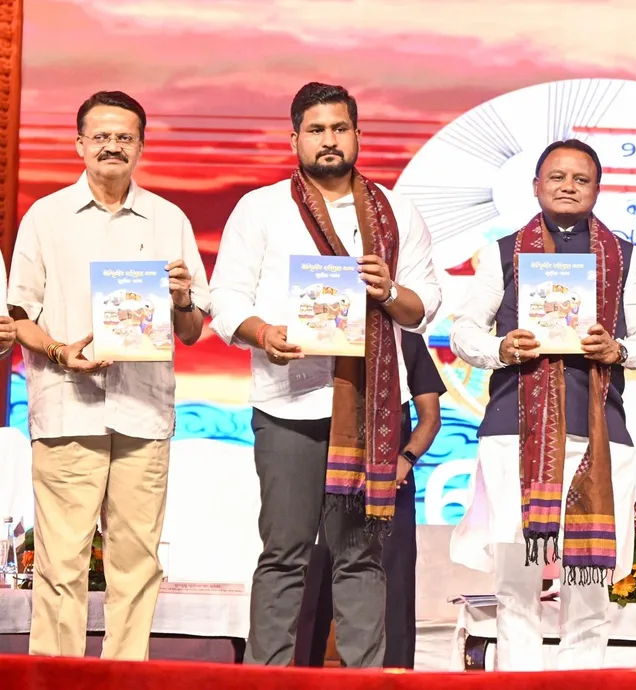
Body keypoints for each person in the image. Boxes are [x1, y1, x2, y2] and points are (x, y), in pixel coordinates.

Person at [208, 82, 441, 668]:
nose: (329, 140)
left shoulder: (396, 212)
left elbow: (425, 305)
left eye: (340, 128)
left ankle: (366, 681)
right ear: (295, 139)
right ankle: (266, 681)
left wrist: (388, 289)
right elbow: (226, 299)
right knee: (283, 554)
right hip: (286, 408)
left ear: (358, 135)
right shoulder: (260, 208)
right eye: (316, 130)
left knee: (360, 559)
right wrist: (265, 335)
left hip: (366, 415)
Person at [449, 139, 636, 671]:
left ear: (597, 188)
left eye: (581, 179)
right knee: (515, 584)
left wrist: (619, 350)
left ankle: (581, 681)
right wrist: (500, 348)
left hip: (599, 433)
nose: (568, 186)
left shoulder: (624, 257)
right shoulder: (503, 252)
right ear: (536, 186)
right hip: (513, 431)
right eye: (557, 177)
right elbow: (463, 331)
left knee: (588, 586)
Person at [6, 91, 211, 659]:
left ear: (141, 146)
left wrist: (183, 296)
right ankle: (55, 677)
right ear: (79, 145)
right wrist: (58, 350)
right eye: (101, 136)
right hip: (67, 405)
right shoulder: (45, 217)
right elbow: (18, 315)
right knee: (60, 563)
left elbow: (192, 331)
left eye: (124, 137)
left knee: (137, 564)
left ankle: (126, 677)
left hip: (143, 414)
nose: (112, 146)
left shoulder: (170, 220)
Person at [294, 330, 446, 669]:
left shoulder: (406, 337)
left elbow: (431, 417)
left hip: (389, 489)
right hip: (331, 479)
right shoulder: (326, 333)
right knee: (314, 583)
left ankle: (392, 676)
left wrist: (405, 459)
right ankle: (301, 674)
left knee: (393, 588)